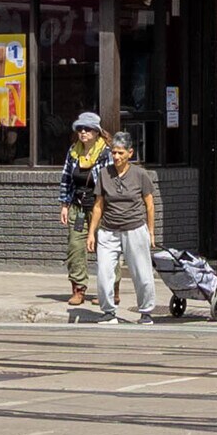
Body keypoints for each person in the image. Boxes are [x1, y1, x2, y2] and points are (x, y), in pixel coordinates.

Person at [85, 129, 157, 324]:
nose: (116, 156)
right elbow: (98, 205)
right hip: (109, 231)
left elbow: (149, 204)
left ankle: (146, 311)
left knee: (141, 272)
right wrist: (92, 233)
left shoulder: (140, 174)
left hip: (134, 228)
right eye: (113, 152)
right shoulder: (104, 174)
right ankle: (108, 311)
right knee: (104, 272)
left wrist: (151, 232)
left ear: (130, 153)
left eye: (120, 153)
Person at [58, 111, 110, 306]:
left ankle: (109, 290)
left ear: (96, 132)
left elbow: (110, 183)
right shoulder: (74, 151)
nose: (83, 132)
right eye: (80, 129)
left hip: (100, 207)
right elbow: (66, 179)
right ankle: (78, 289)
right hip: (77, 206)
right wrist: (64, 204)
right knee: (75, 248)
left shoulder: (106, 152)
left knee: (105, 249)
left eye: (87, 129)